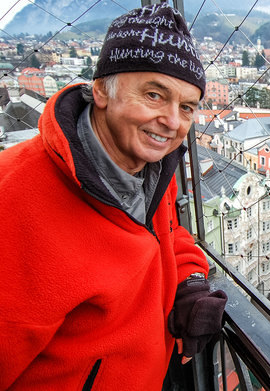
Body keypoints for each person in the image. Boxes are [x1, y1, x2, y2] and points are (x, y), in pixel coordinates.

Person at [0, 4, 228, 390]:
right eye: (155, 95)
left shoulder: (154, 168)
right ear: (103, 89)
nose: (173, 122)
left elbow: (168, 233)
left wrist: (189, 280)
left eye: (186, 106)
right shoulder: (15, 198)